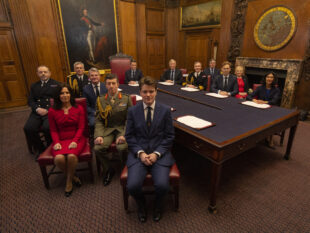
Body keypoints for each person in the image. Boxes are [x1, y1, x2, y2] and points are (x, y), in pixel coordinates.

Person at [125, 76, 175, 223]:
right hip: (138, 155)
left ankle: (158, 207)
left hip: (159, 154)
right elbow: (129, 136)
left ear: (156, 92)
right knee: (132, 186)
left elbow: (169, 137)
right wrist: (140, 153)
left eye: (151, 91)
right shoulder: (132, 111)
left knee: (163, 185)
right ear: (140, 92)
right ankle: (142, 206)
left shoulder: (165, 111)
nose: (148, 95)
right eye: (145, 92)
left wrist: (156, 153)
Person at [94, 74, 133, 186]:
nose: (111, 86)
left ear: (117, 84)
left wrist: (125, 134)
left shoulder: (126, 98)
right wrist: (99, 136)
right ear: (105, 85)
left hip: (122, 129)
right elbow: (99, 120)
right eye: (109, 84)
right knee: (97, 148)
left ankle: (126, 168)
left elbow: (130, 119)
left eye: (113, 83)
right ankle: (109, 169)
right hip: (107, 129)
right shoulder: (100, 100)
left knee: (122, 147)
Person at [48, 84, 86, 197]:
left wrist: (75, 141)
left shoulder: (79, 108)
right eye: (62, 93)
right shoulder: (52, 111)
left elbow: (81, 127)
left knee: (71, 156)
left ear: (71, 94)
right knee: (59, 159)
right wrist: (57, 142)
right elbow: (53, 130)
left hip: (77, 138)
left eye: (67, 92)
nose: (65, 95)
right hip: (60, 140)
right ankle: (73, 176)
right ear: (58, 96)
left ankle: (68, 182)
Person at [24, 66, 59, 154]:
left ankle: (50, 147)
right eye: (40, 72)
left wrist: (48, 109)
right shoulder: (34, 85)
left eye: (45, 72)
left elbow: (58, 100)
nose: (43, 74)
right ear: (37, 74)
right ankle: (41, 149)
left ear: (49, 73)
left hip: (50, 111)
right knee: (28, 128)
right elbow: (30, 100)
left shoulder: (56, 84)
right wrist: (37, 108)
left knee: (47, 127)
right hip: (37, 111)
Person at [83, 67, 107, 133]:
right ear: (89, 78)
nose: (94, 77)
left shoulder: (106, 86)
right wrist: (94, 112)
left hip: (106, 111)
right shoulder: (86, 89)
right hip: (93, 113)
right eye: (92, 75)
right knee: (93, 123)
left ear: (99, 76)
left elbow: (110, 100)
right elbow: (86, 105)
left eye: (96, 75)